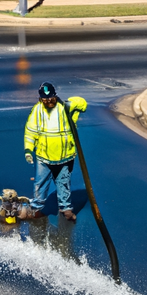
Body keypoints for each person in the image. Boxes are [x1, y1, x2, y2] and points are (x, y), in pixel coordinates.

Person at [24, 83, 89, 222]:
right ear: (40, 99)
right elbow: (30, 132)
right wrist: (28, 150)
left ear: (55, 96)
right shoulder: (37, 110)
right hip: (44, 157)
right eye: (45, 100)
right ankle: (36, 209)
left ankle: (66, 210)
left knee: (63, 183)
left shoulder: (65, 108)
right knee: (40, 184)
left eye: (51, 99)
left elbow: (83, 105)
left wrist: (73, 101)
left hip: (64, 157)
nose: (48, 102)